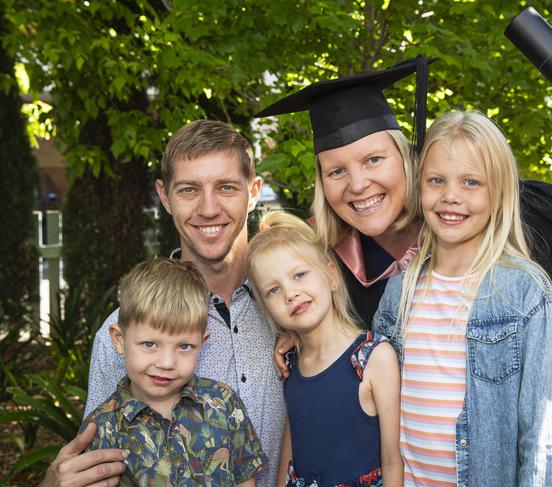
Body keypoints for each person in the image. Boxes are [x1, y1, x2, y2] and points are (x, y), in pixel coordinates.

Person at [257, 57, 552, 484]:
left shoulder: (513, 219)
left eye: (373, 160)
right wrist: (302, 330)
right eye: (336, 171)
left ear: (409, 157)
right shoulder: (334, 274)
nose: (356, 184)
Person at [42, 121, 286, 487]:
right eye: (189, 189)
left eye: (226, 187)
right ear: (165, 196)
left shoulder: (296, 311)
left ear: (253, 192)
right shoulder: (129, 334)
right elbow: (94, 466)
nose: (208, 208)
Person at [373, 110, 552, 485]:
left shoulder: (524, 294)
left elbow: (544, 440)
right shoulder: (399, 293)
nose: (450, 196)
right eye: (436, 180)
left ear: (498, 193)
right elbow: (367, 392)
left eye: (471, 182)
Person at [245, 211, 402, 486]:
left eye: (300, 275)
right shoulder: (290, 363)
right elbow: (291, 453)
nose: (290, 293)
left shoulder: (374, 358)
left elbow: (392, 460)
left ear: (330, 274)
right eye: (273, 290)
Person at [81, 258, 266, 486]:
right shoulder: (101, 428)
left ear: (202, 342)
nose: (167, 363)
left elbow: (245, 480)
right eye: (150, 344)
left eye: (184, 346)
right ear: (119, 340)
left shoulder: (224, 403)